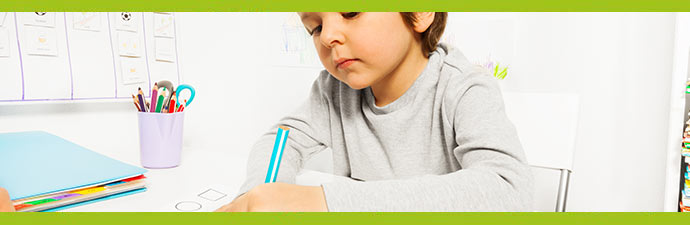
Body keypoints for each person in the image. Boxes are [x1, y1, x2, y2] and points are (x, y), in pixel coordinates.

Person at [216, 12, 534, 212]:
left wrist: (324, 201)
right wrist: (258, 197)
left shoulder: (463, 86)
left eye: (350, 12)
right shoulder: (333, 90)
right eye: (314, 27)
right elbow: (282, 139)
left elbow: (509, 190)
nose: (327, 36)